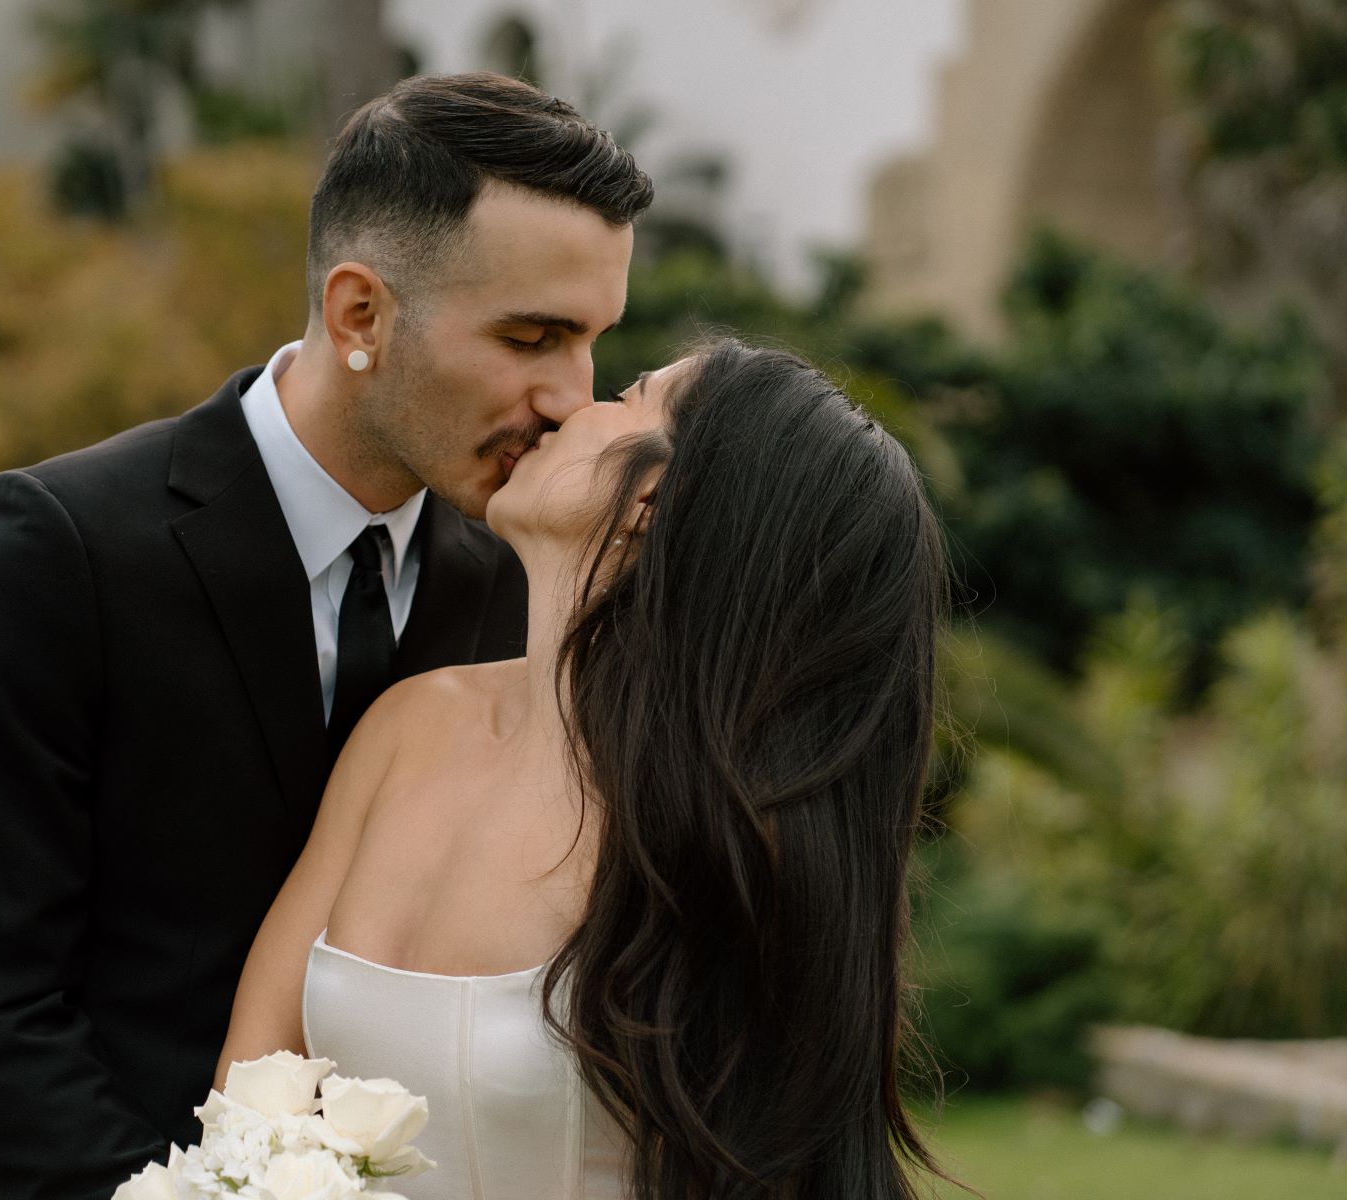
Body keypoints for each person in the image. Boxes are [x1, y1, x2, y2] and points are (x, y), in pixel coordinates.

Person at [0, 72, 652, 1200]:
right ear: (360, 316)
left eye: (589, 341)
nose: (570, 399)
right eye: (529, 337)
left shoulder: (517, 584)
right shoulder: (54, 551)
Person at [219, 342, 956, 1199]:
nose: (571, 406)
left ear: (649, 500)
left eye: (629, 394)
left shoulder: (717, 841)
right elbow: (250, 1099)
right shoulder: (409, 725)